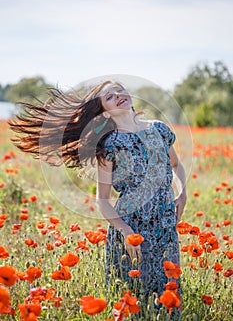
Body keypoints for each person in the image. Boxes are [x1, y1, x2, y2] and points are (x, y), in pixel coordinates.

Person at [9, 80, 186, 319]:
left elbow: (176, 165)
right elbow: (102, 200)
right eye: (110, 97)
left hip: (165, 228)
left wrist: (182, 192)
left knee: (168, 304)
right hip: (132, 230)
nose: (118, 95)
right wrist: (125, 232)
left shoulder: (160, 129)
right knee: (132, 305)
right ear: (104, 112)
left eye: (119, 90)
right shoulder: (109, 144)